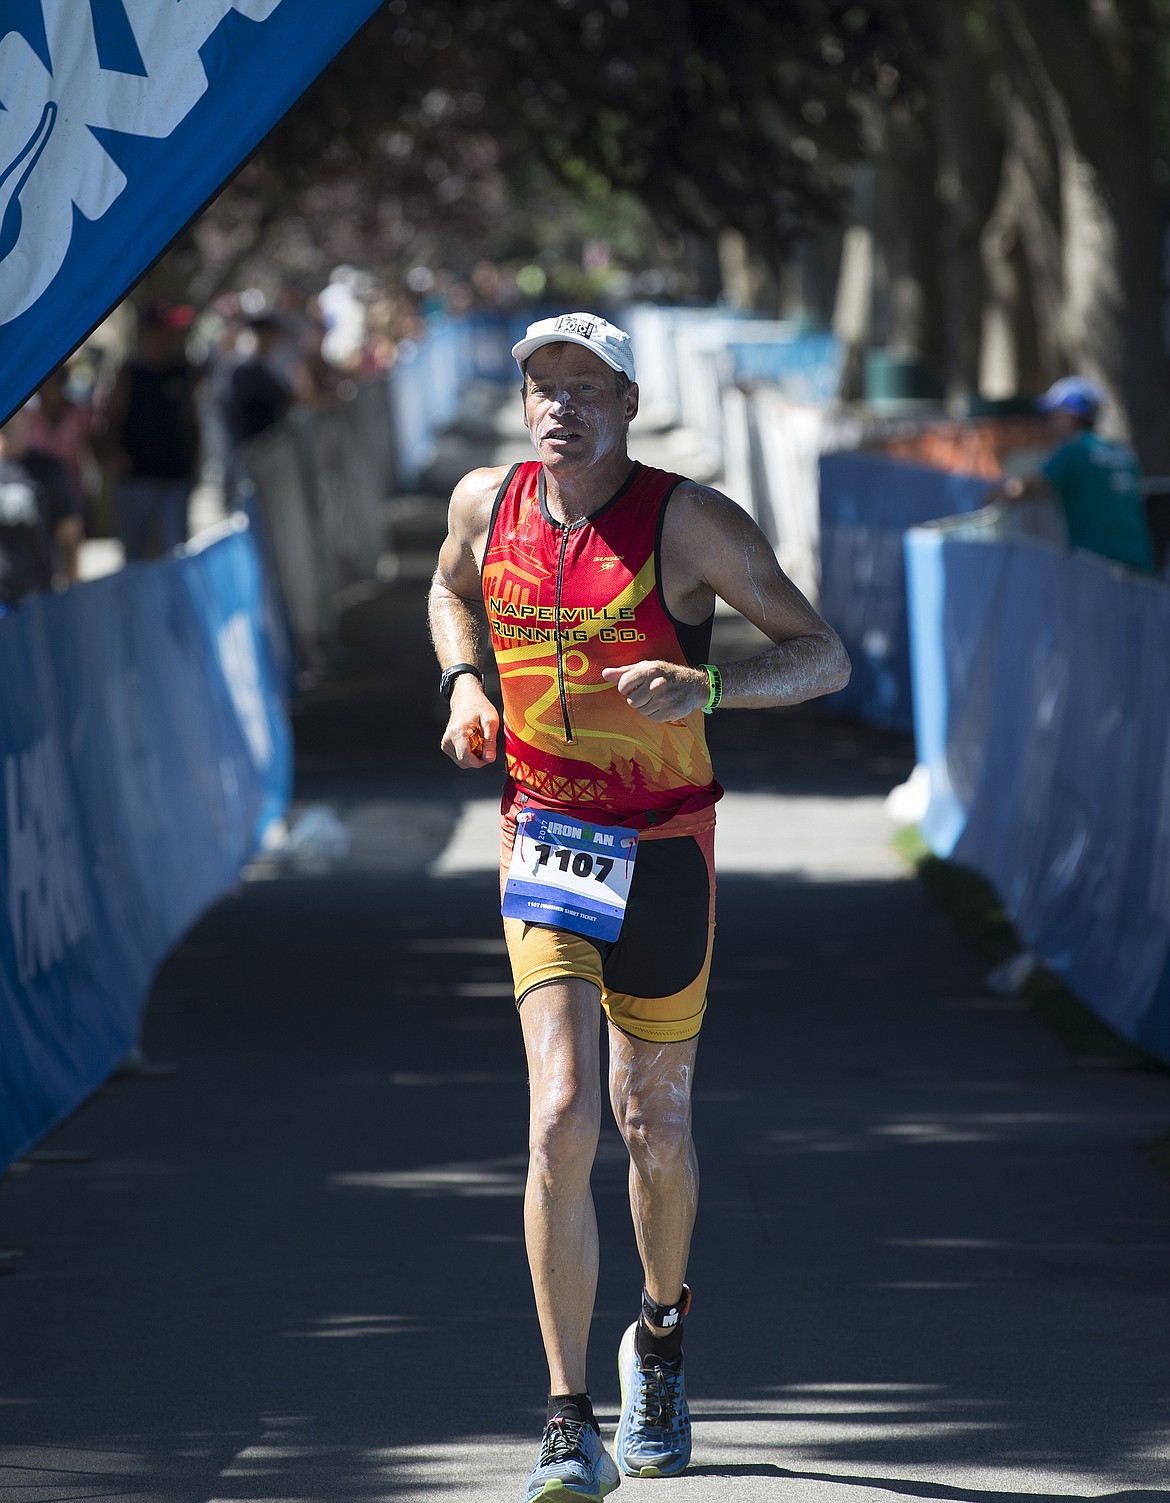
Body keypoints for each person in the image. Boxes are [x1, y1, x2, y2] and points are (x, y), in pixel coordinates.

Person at [427, 312, 850, 1500]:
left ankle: (658, 1336)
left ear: (625, 399)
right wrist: (465, 682)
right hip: (545, 840)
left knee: (652, 1122)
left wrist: (705, 682)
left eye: (583, 386)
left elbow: (823, 655)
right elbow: (446, 591)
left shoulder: (689, 522)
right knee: (562, 1114)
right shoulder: (486, 504)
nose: (558, 405)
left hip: (664, 848)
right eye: (539, 386)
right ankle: (568, 1420)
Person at [988, 375, 1157, 573]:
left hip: (1097, 564)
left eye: (1055, 414)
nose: (1050, 423)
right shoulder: (1123, 452)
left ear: (1072, 414)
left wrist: (994, 496)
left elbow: (1029, 487)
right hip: (1141, 561)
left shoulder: (1074, 451)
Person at [95, 300, 201, 561]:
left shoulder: (184, 371)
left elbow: (192, 421)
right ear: (150, 332)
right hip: (136, 481)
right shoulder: (130, 373)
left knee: (175, 556)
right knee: (136, 558)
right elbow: (107, 422)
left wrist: (194, 467)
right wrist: (111, 459)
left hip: (175, 479)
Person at [0, 402, 83, 613]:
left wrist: (72, 591)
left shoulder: (50, 469)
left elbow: (69, 534)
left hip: (39, 593)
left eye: (21, 412)